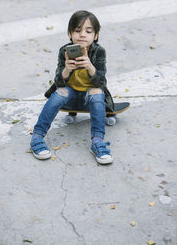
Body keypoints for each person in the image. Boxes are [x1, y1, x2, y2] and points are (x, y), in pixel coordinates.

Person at [30, 10, 115, 164]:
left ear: (95, 35)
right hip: (70, 98)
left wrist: (89, 66)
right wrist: (67, 69)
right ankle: (37, 136)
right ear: (70, 33)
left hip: (90, 99)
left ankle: (97, 142)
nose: (82, 34)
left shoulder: (99, 51)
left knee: (97, 92)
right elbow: (59, 82)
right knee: (59, 92)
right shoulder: (65, 51)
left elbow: (101, 83)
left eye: (88, 31)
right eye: (77, 30)